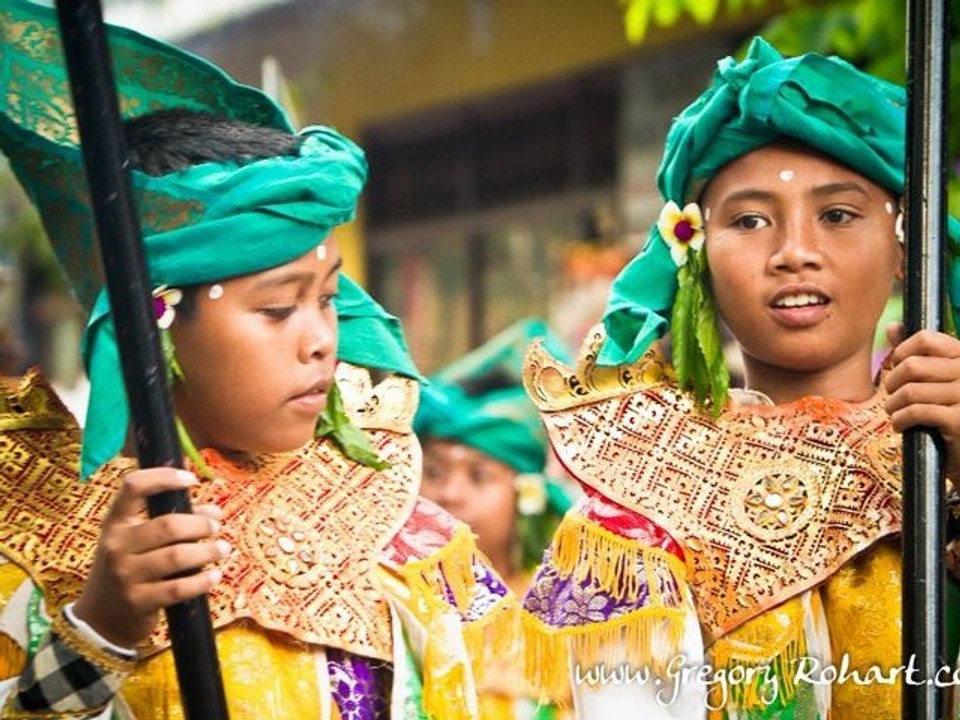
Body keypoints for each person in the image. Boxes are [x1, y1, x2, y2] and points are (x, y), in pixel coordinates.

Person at [0, 2, 515, 718]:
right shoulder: (32, 551)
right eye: (278, 308)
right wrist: (101, 630)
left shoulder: (398, 528)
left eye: (330, 299)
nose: (321, 340)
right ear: (156, 319)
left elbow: (504, 694)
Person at [519, 37, 960, 719]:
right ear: (694, 254)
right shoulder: (638, 501)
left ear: (906, 243)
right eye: (750, 220)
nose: (795, 253)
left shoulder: (944, 455)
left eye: (838, 215)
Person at [415, 319, 574, 719]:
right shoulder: (394, 601)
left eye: (479, 475)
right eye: (433, 472)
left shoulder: (566, 612)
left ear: (526, 495)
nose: (450, 493)